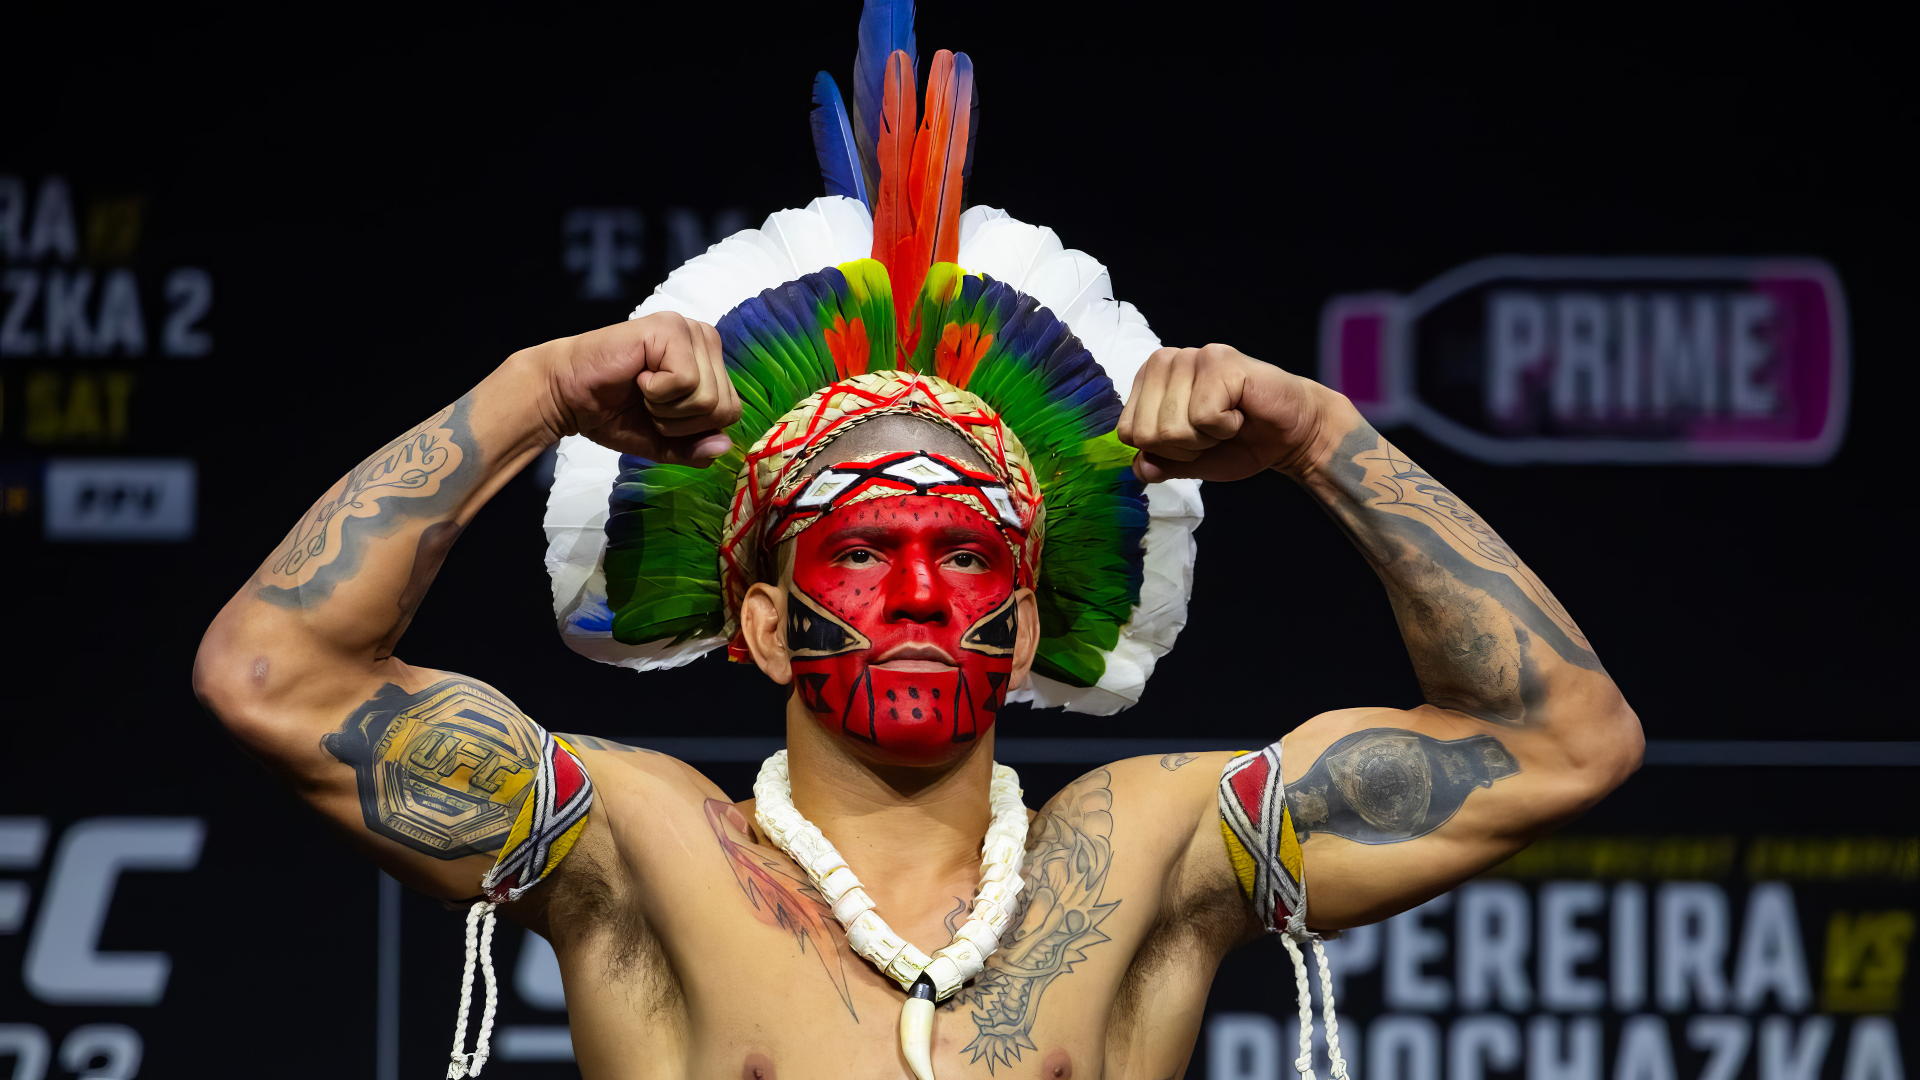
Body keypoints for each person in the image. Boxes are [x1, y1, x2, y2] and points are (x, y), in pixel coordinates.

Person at [192, 9, 1642, 1079]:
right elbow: (272, 673)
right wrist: (535, 395)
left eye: (964, 559)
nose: (913, 597)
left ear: (1020, 624)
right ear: (760, 619)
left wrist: (1328, 440)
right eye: (861, 547)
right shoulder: (638, 852)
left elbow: (1565, 740)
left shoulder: (1148, 858)